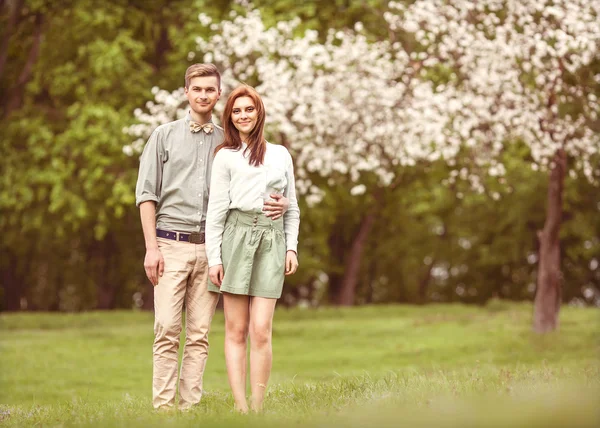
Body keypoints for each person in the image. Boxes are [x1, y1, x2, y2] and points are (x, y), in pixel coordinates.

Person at [135, 64, 289, 411]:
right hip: (170, 244)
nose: (203, 94)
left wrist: (281, 203)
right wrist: (151, 248)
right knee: (166, 328)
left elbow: (260, 183)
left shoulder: (230, 141)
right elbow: (146, 194)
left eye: (210, 89)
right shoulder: (163, 135)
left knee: (199, 334)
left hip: (213, 246)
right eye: (197, 89)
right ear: (186, 92)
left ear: (218, 94)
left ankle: (189, 408)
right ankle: (163, 410)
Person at [205, 84, 300, 413]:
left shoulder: (280, 154)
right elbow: (216, 213)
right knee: (237, 328)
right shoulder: (225, 157)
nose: (243, 115)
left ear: (259, 113)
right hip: (236, 238)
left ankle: (258, 407)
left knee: (261, 330)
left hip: (272, 241)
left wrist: (292, 248)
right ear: (229, 117)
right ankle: (240, 407)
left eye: (249, 109)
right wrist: (214, 258)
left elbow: (294, 207)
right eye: (237, 110)